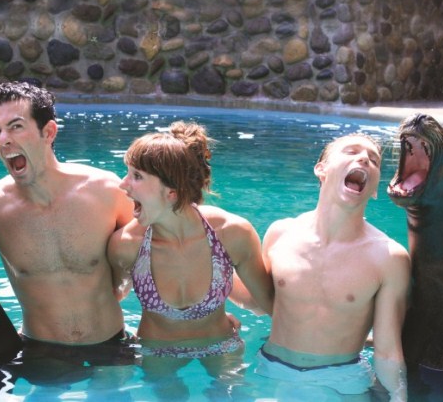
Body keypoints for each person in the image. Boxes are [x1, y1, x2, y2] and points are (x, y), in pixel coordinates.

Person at [107, 120, 274, 398]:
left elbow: (266, 303)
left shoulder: (231, 233)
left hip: (219, 344)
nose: (123, 184)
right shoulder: (127, 246)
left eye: (136, 176)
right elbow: (110, 300)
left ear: (171, 192)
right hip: (157, 350)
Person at [0, 81, 137, 381]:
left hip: (112, 346)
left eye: (15, 127)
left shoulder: (106, 191)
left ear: (49, 132)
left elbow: (160, 246)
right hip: (40, 352)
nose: (4, 140)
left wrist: (202, 315)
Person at [257, 133, 410, 402]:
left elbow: (387, 350)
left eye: (373, 161)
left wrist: (399, 397)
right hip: (269, 370)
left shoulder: (389, 258)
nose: (364, 158)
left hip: (342, 380)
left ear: (374, 189)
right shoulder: (280, 234)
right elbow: (261, 301)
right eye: (351, 152)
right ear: (321, 169)